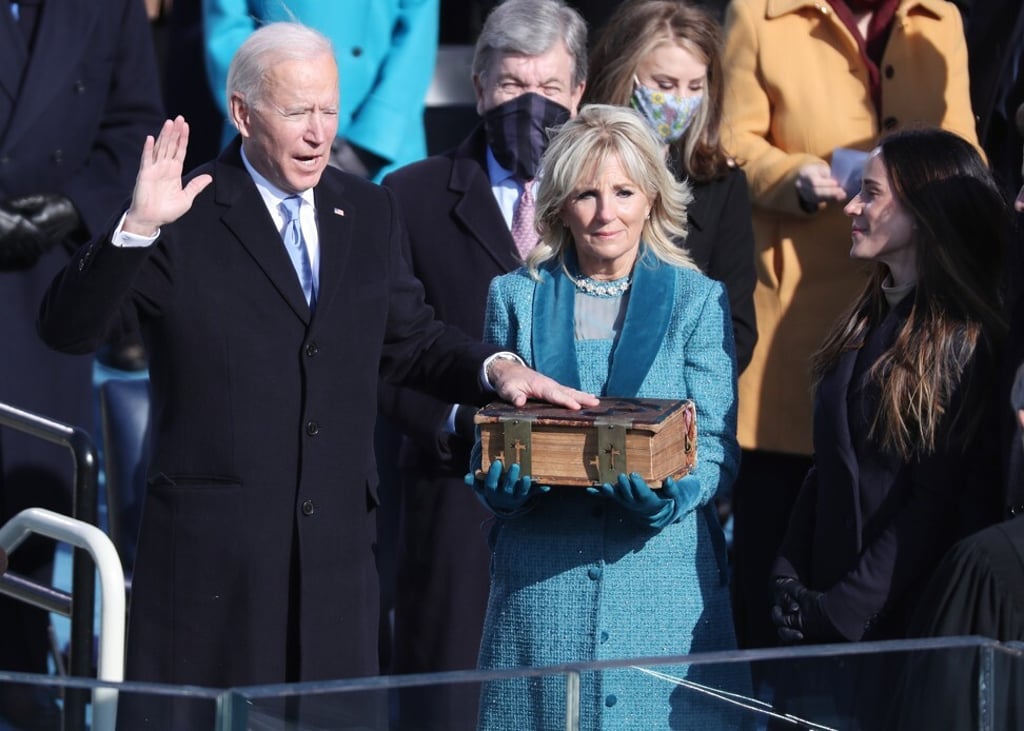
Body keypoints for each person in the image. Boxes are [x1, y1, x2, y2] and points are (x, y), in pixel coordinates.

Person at [36, 22, 598, 730]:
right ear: (243, 114)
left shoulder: (365, 207)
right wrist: (133, 229)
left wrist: (496, 368)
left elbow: (410, 339)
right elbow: (67, 329)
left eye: (328, 111)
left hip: (335, 572)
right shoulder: (182, 211)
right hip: (217, 577)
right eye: (297, 112)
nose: (317, 133)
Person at [469, 104, 746, 730]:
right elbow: (495, 436)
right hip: (541, 591)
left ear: (652, 197)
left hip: (662, 593)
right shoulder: (513, 295)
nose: (605, 213)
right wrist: (500, 495)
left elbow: (718, 448)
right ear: (560, 202)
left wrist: (673, 497)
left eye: (623, 192)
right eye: (587, 194)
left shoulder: (699, 301)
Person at [720, 0, 983, 654]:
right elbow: (727, 144)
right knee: (779, 570)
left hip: (921, 316)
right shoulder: (759, 14)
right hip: (806, 323)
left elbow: (964, 155)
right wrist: (792, 176)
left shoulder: (937, 17)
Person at [377, 1, 587, 728]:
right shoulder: (407, 197)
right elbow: (385, 354)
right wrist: (455, 423)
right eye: (510, 85)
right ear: (477, 86)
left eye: (551, 87)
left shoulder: (611, 201)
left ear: (580, 94)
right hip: (454, 502)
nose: (532, 104)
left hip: (581, 512)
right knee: (450, 708)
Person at [769, 127, 1008, 728]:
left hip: (900, 634)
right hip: (833, 626)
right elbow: (827, 466)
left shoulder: (963, 344)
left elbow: (930, 507)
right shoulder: (870, 313)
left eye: (869, 195)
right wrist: (789, 573)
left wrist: (844, 610)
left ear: (924, 212)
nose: (851, 207)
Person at [0, 0, 164, 726]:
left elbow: (136, 124)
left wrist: (75, 206)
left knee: (27, 509)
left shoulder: (108, 6)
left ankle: (21, 685)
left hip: (43, 287)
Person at [584, 0, 757, 375]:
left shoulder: (720, 184)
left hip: (678, 401)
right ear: (624, 75)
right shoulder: (575, 169)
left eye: (694, 85)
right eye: (664, 84)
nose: (679, 100)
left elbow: (737, 329)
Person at [203, 0, 439, 182]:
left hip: (384, 151)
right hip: (269, 146)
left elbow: (417, 35)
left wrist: (373, 141)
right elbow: (228, 30)